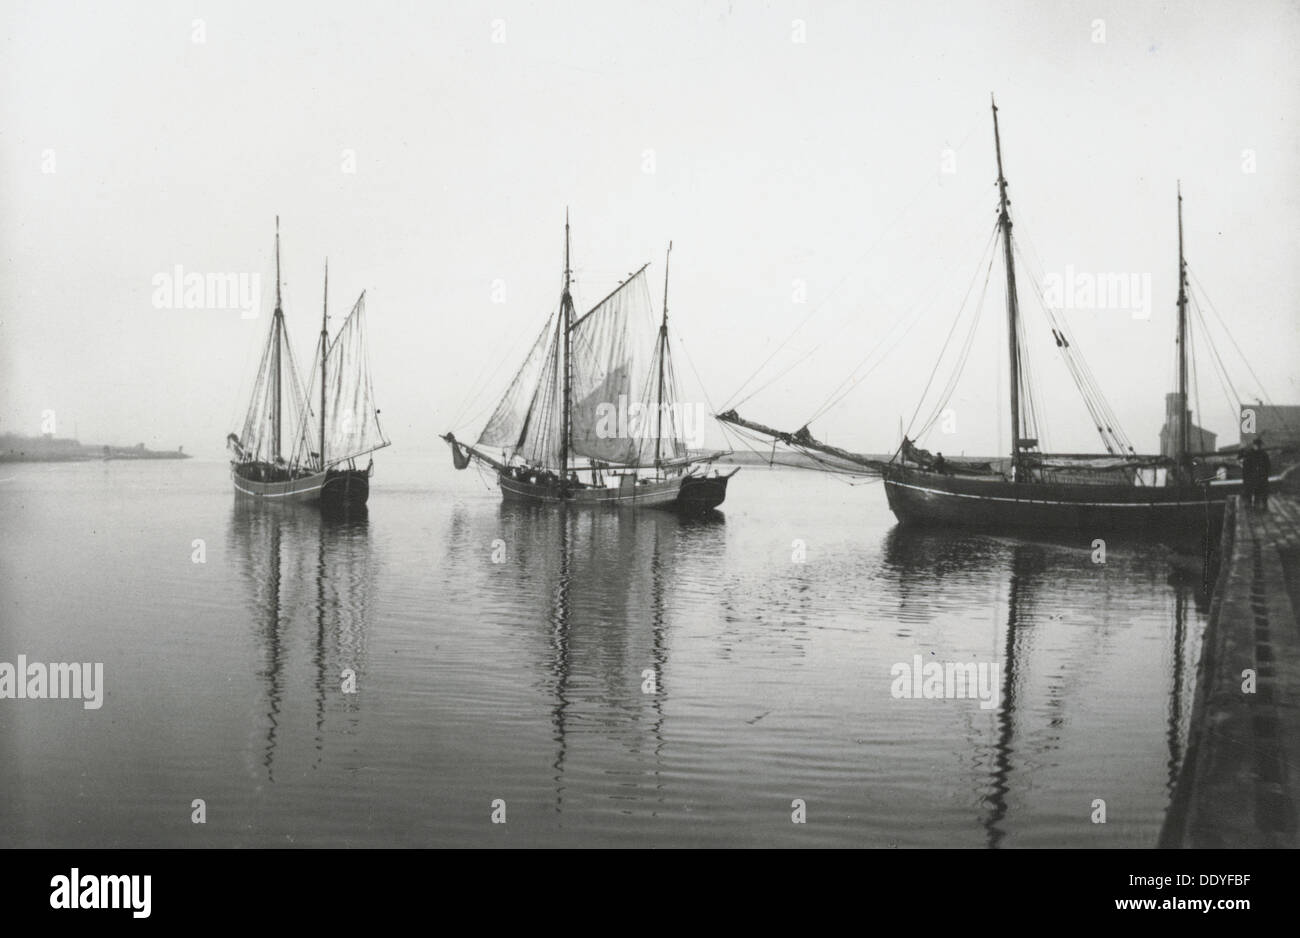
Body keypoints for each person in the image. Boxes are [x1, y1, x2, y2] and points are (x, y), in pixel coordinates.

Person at [1240, 437, 1271, 511]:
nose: (1258, 446)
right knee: (1248, 490)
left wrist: (1265, 475)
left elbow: (1268, 466)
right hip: (1251, 476)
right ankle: (1248, 504)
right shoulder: (1249, 454)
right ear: (1253, 445)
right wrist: (1246, 476)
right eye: (1256, 445)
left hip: (1261, 476)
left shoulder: (1264, 454)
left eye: (1259, 445)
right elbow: (1245, 466)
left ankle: (1262, 505)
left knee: (1261, 491)